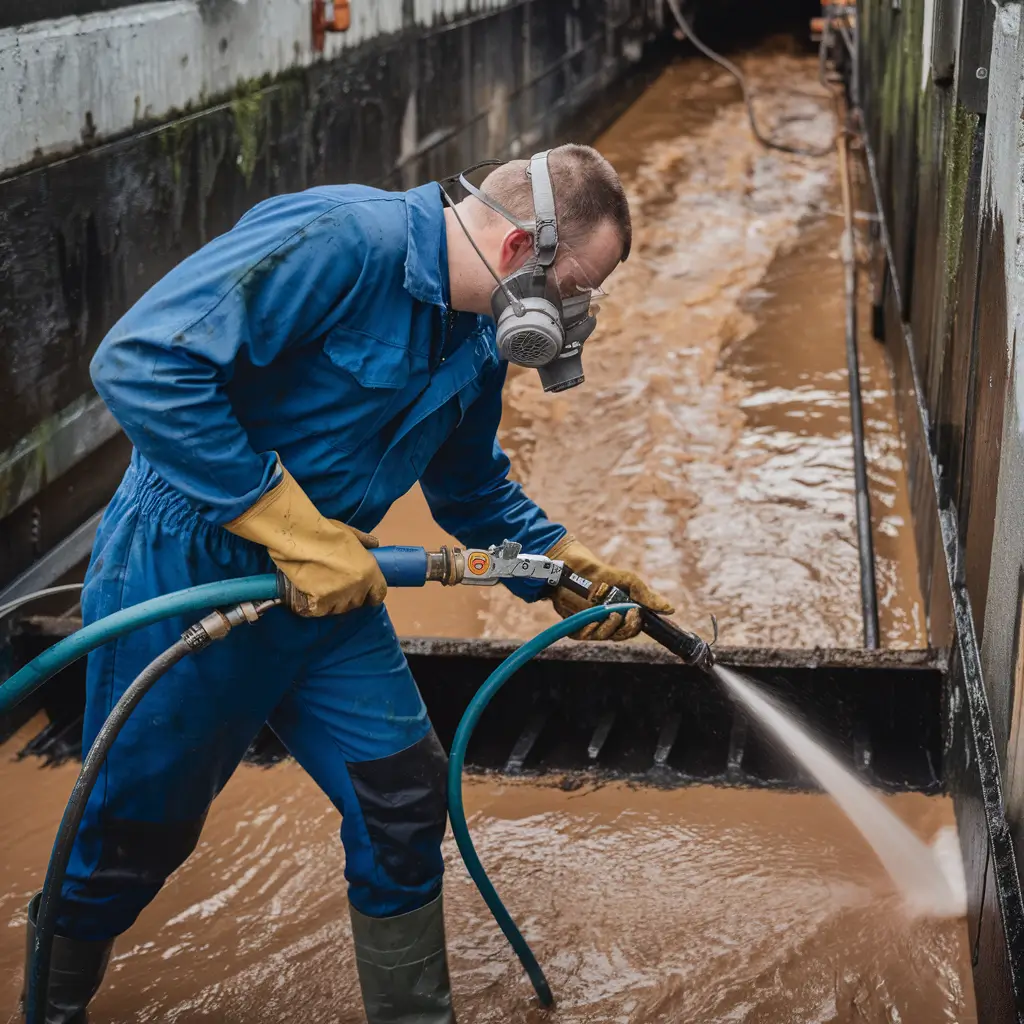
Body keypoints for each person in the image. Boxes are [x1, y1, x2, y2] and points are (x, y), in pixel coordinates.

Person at [24, 143, 672, 1023]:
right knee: (132, 840)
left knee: (403, 801)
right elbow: (141, 362)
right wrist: (286, 526)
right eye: (575, 290)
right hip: (186, 567)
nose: (571, 315)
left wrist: (560, 564)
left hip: (330, 589)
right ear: (521, 254)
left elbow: (469, 488)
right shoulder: (341, 239)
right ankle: (47, 1005)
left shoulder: (480, 338)